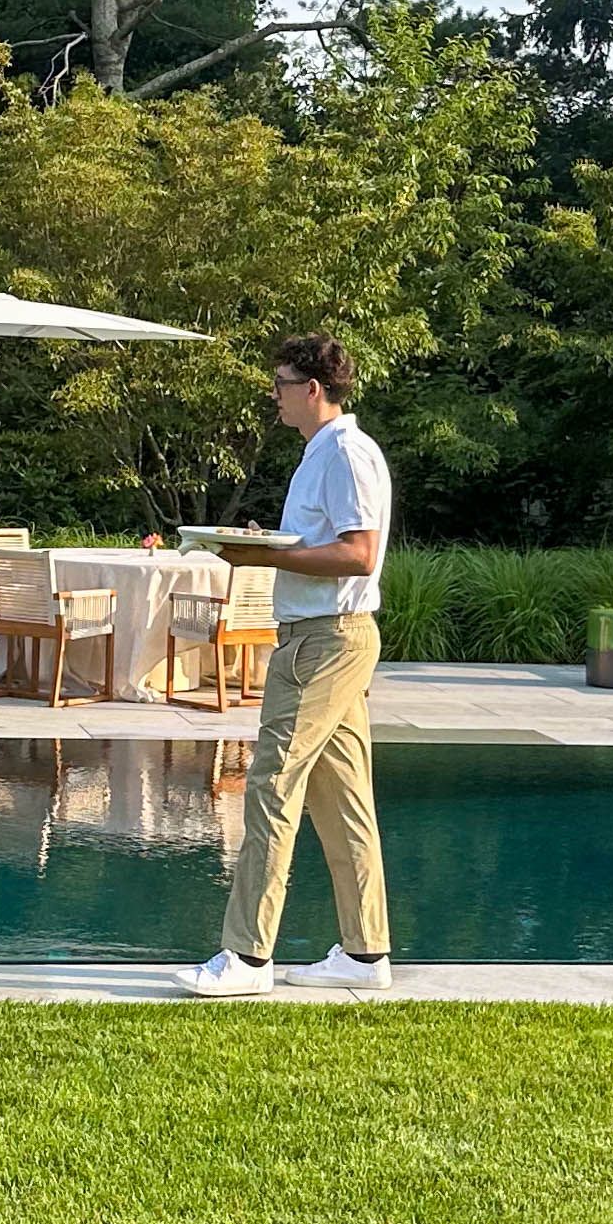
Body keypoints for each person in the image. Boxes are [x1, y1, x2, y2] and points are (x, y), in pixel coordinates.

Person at [193, 333, 393, 995]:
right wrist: (265, 548)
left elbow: (360, 554)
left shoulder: (346, 453)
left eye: (279, 384)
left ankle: (246, 958)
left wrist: (266, 558)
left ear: (313, 389)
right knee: (342, 801)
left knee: (270, 784)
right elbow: (325, 544)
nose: (272, 396)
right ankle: (365, 956)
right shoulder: (321, 453)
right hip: (317, 635)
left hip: (326, 640)